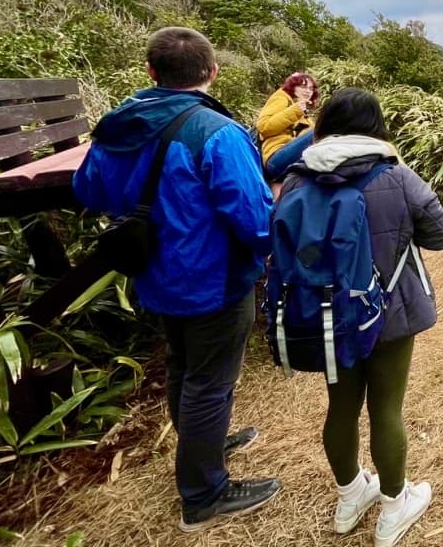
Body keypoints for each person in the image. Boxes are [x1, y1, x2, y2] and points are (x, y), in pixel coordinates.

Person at [73, 27, 280, 532]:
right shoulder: (215, 132)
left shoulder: (120, 126)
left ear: (151, 72)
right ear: (211, 71)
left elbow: (89, 190)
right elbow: (254, 221)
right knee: (209, 380)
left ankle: (201, 442)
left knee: (185, 365)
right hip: (214, 277)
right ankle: (204, 493)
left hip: (154, 272)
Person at [275, 87, 443, 546]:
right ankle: (395, 506)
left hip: (328, 314)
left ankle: (350, 493)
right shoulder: (395, 174)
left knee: (341, 405)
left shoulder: (299, 177)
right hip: (389, 312)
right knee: (386, 408)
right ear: (377, 126)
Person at [257, 71, 320, 181]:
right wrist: (295, 111)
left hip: (293, 160)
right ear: (293, 87)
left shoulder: (305, 116)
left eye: (311, 89)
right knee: (322, 130)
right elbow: (263, 127)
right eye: (303, 86)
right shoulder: (281, 98)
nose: (308, 91)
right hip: (276, 157)